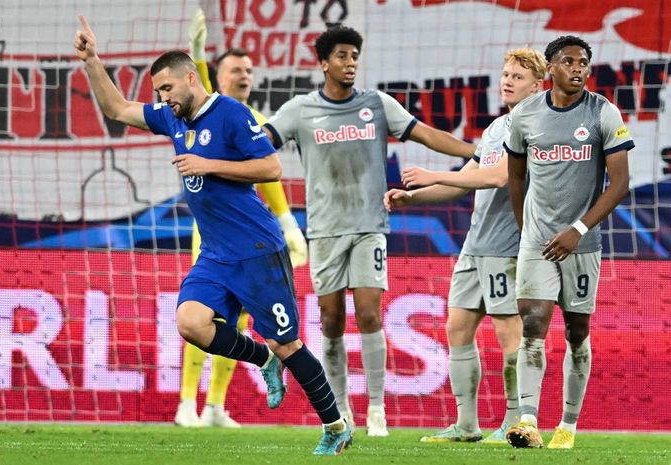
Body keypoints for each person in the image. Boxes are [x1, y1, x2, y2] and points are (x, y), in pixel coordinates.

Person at [74, 16, 351, 456]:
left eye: (167, 89)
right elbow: (117, 108)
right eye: (158, 93)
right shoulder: (173, 119)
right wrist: (92, 60)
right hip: (217, 253)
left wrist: (208, 165)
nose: (162, 99)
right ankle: (262, 361)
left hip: (258, 249)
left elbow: (271, 168)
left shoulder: (233, 115)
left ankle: (335, 426)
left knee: (288, 343)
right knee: (191, 322)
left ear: (190, 78)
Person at [262, 25, 476, 437]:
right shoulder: (300, 110)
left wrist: (472, 150)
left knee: (369, 313)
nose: (350, 63)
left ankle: (377, 408)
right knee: (330, 320)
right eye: (341, 56)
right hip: (324, 230)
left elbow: (424, 133)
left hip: (369, 226)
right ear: (323, 63)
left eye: (354, 56)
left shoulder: (376, 105)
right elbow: (262, 142)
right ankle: (341, 407)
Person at [384, 47, 546, 444]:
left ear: (538, 86)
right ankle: (467, 425)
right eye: (506, 73)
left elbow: (497, 177)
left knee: (510, 333)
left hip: (508, 247)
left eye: (518, 76)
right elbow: (468, 175)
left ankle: (514, 423)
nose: (507, 80)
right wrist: (415, 196)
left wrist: (430, 171)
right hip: (475, 246)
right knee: (457, 327)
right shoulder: (495, 128)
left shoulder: (537, 127)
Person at [174, 9, 309, 429]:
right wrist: (196, 52)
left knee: (243, 319)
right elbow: (196, 82)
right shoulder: (210, 110)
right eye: (236, 68)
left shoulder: (254, 122)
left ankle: (215, 405)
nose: (246, 75)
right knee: (206, 315)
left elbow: (266, 179)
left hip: (248, 235)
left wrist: (288, 223)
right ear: (217, 74)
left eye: (250, 69)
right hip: (213, 235)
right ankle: (186, 403)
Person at [503, 36, 633, 449]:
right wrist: (526, 229)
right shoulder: (524, 115)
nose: (578, 69)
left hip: (583, 243)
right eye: (568, 61)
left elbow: (621, 184)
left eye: (584, 63)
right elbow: (516, 177)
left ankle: (568, 425)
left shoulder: (604, 113)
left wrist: (577, 228)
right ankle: (527, 421)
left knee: (577, 332)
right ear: (551, 68)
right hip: (538, 243)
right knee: (533, 325)